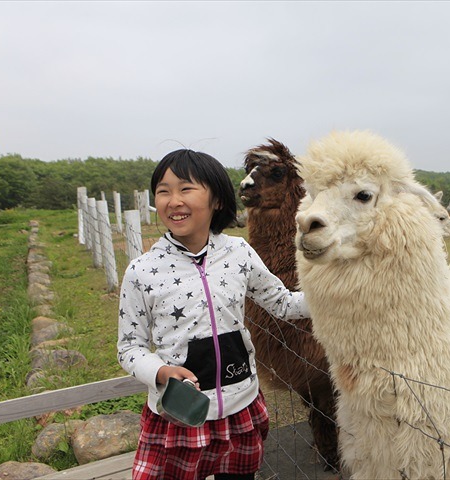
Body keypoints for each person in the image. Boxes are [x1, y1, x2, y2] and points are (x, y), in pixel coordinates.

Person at [117, 149, 309, 480]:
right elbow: (129, 347)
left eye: (186, 188)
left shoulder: (238, 253)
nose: (173, 200)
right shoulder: (142, 271)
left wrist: (340, 294)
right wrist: (160, 371)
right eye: (163, 191)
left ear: (217, 200)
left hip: (240, 408)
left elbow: (283, 303)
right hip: (179, 416)